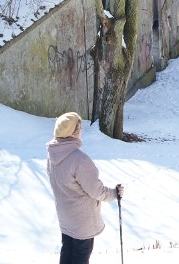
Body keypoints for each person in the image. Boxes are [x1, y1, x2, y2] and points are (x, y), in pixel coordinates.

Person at [46, 112, 124, 264]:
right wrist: (114, 193)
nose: (82, 130)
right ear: (74, 132)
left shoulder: (52, 155)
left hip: (65, 217)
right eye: (80, 127)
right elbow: (97, 191)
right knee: (80, 258)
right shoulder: (79, 160)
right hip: (82, 222)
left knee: (67, 252)